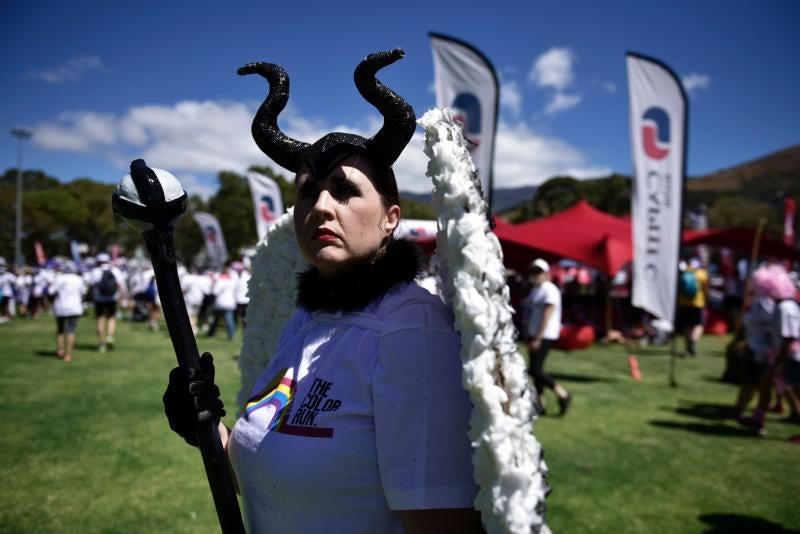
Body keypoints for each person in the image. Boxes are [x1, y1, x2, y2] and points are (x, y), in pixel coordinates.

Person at [163, 50, 481, 532]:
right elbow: (273, 476)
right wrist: (207, 429)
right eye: (308, 192)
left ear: (390, 218)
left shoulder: (410, 326)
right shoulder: (304, 321)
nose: (321, 207)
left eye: (344, 190)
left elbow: (442, 525)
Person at [522, 258, 571, 416]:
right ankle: (540, 404)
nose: (535, 275)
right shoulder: (536, 289)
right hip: (534, 333)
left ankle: (562, 393)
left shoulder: (550, 290)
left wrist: (538, 338)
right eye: (533, 272)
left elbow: (547, 316)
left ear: (546, 273)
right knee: (536, 369)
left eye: (539, 272)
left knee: (535, 369)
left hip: (545, 334)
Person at [88, 252, 125, 352]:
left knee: (100, 319)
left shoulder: (95, 271)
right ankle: (110, 336)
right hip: (112, 298)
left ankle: (102, 345)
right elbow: (120, 285)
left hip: (99, 299)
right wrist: (122, 297)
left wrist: (89, 296)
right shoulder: (115, 270)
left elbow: (91, 286)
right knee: (111, 317)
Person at [51, 261, 86, 362]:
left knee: (60, 329)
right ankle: (68, 354)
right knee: (71, 330)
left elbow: (51, 291)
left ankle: (60, 351)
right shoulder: (78, 279)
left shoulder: (59, 278)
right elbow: (84, 291)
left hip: (61, 306)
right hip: (74, 307)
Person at [676, 258, 709, 356]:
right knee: (699, 324)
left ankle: (687, 348)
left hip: (683, 303)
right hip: (698, 303)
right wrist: (706, 300)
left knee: (686, 325)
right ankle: (693, 341)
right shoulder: (702, 274)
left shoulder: (683, 273)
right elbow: (706, 289)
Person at [207, 261, 238, 340]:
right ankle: (231, 335)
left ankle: (211, 333)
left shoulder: (220, 280)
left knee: (216, 319)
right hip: (230, 302)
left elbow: (215, 291)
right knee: (229, 319)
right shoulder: (233, 280)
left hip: (220, 302)